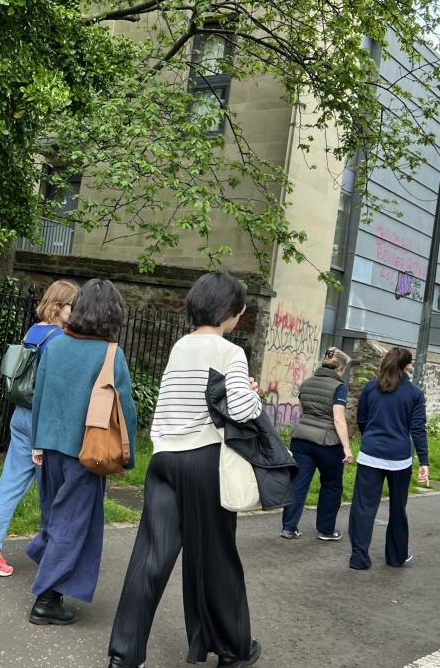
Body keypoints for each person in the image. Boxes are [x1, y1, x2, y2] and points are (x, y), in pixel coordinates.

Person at [107, 272, 263, 668]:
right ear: (230, 311)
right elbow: (243, 412)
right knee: (216, 557)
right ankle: (232, 649)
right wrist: (253, 394)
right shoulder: (230, 352)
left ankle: (124, 655)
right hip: (204, 461)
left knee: (151, 556)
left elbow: (168, 402)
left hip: (164, 459)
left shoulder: (180, 346)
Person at [25, 278, 136, 625]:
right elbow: (125, 409)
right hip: (87, 453)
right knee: (73, 523)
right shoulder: (111, 354)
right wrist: (126, 456)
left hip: (51, 447)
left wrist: (37, 443)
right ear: (112, 315)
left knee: (55, 516)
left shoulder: (55, 346)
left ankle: (44, 560)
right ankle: (46, 600)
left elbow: (39, 396)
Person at [0, 280, 79, 577]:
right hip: (40, 421)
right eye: (73, 305)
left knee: (9, 483)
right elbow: (53, 388)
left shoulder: (33, 331)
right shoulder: (58, 339)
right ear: (59, 306)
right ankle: (51, 552)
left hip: (20, 414)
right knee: (52, 490)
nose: (76, 311)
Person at [348, 347, 429, 570]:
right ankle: (396, 557)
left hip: (370, 456)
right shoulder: (414, 394)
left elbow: (361, 419)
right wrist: (424, 461)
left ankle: (359, 558)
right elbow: (418, 430)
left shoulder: (370, 388)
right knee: (397, 508)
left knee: (363, 507)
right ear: (406, 366)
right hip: (399, 459)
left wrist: (373, 439)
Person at [280, 347, 354, 541]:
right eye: (343, 370)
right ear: (339, 368)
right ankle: (326, 530)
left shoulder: (306, 383)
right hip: (327, 443)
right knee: (331, 485)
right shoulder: (339, 387)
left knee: (298, 483)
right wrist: (346, 448)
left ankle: (289, 527)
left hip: (301, 439)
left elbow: (302, 413)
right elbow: (338, 419)